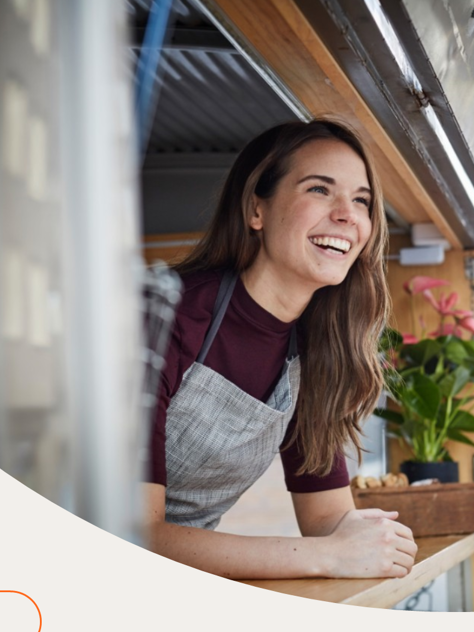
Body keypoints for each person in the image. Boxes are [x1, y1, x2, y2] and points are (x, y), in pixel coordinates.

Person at [145, 118, 417, 580]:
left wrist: (374, 537)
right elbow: (132, 533)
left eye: (362, 201)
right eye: (319, 189)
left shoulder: (317, 352)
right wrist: (328, 556)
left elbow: (327, 517)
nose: (347, 215)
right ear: (257, 210)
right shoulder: (163, 315)